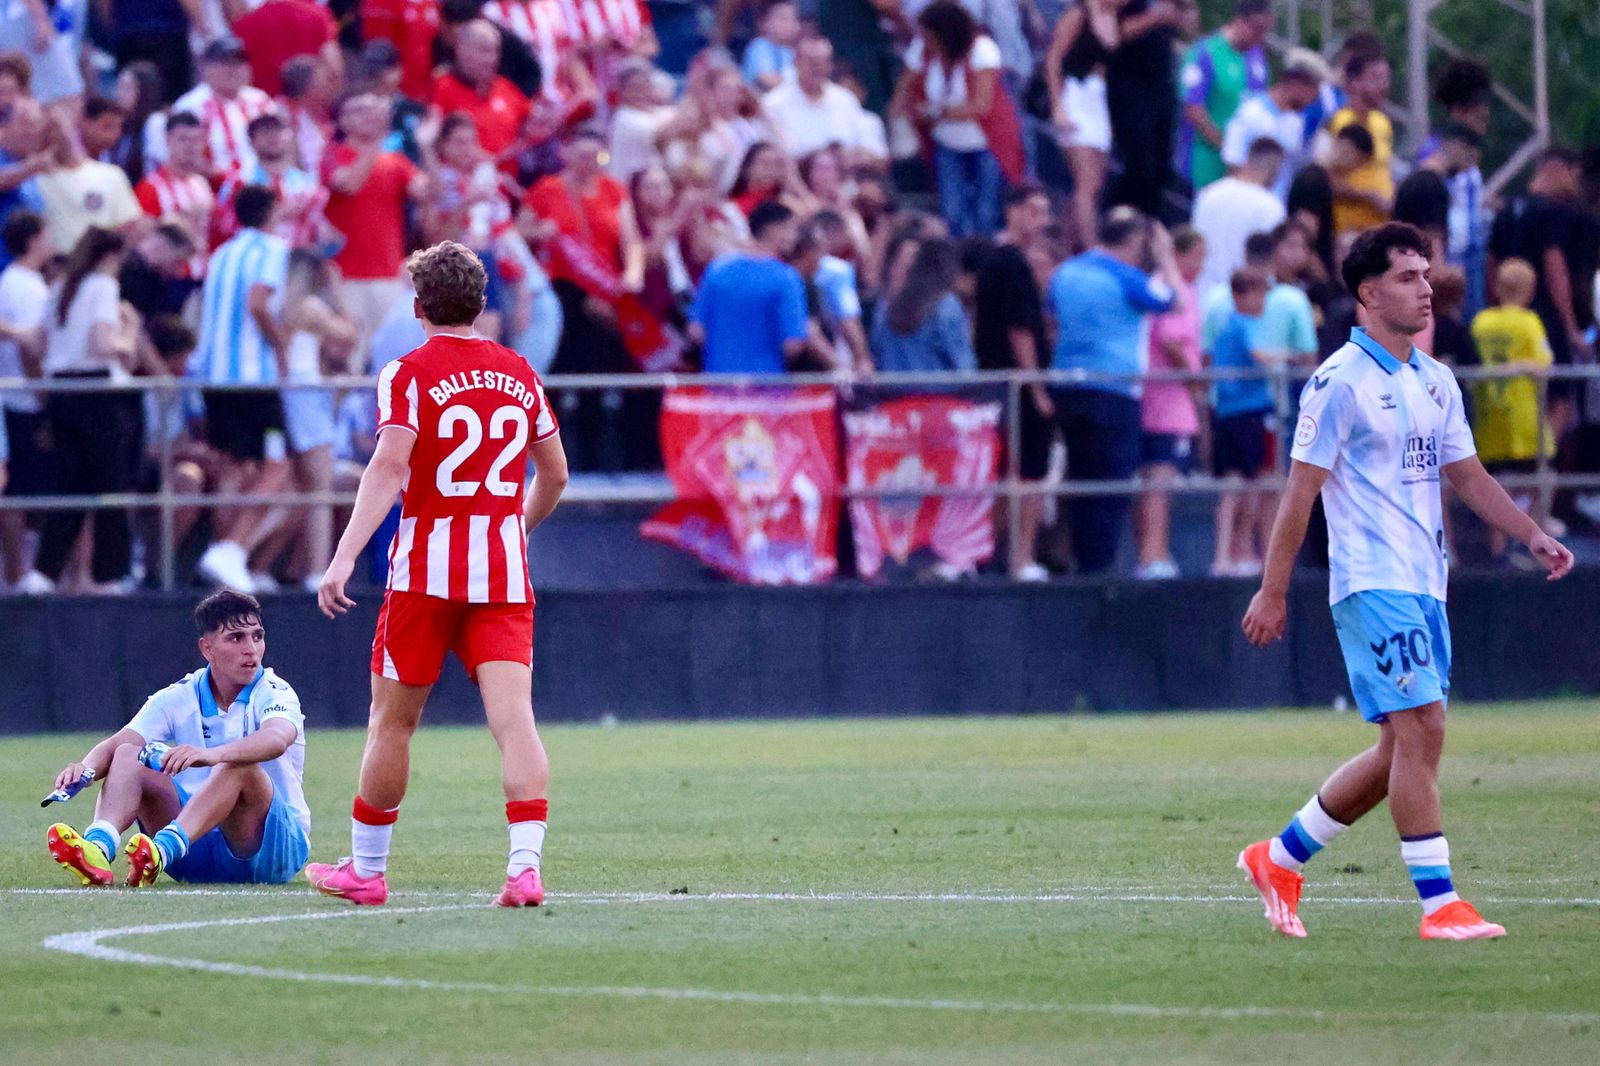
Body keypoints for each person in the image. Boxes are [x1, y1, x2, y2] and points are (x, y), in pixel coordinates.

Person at [1238, 222, 1574, 941]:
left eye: (1426, 275)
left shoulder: (1435, 378)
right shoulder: (1337, 384)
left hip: (1426, 582)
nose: (1426, 289)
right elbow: (1298, 495)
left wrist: (1531, 531)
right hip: (1370, 580)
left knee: (1401, 747)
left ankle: (1278, 856)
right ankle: (1439, 904)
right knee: (1425, 726)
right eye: (1407, 277)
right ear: (1368, 292)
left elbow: (1468, 476)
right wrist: (1272, 589)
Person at [308, 241, 568, 908]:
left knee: (392, 724)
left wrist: (341, 557)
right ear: (482, 305)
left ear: (418, 308)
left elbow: (390, 467)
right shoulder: (520, 372)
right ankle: (524, 870)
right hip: (502, 576)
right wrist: (515, 530)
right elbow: (556, 474)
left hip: (424, 574)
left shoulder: (407, 372)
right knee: (516, 724)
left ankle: (367, 872)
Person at [44, 590, 310, 887]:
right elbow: (120, 742)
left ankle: (159, 850)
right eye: (236, 638)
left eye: (257, 636)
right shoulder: (180, 694)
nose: (252, 649)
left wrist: (212, 754)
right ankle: (98, 848)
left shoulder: (275, 690)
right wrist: (85, 769)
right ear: (207, 649)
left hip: (269, 854)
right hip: (194, 850)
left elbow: (276, 738)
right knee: (129, 753)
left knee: (238, 764)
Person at [1049, 206, 1179, 575]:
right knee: (1112, 480)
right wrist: (1166, 256)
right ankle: (1098, 568)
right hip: (1114, 389)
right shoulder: (1128, 278)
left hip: (1067, 386)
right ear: (1136, 241)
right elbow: (1173, 300)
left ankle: (1077, 560)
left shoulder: (1066, 272)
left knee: (1078, 477)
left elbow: (1052, 315)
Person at [18, 227, 144, 595]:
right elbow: (103, 343)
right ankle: (109, 576)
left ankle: (43, 574)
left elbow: (38, 345)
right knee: (111, 484)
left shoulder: (59, 288)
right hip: (98, 393)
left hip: (62, 392)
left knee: (68, 485)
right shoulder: (103, 287)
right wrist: (131, 333)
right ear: (110, 257)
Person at [191, 185, 291, 594]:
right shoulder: (272, 248)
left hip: (214, 375)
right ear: (271, 212)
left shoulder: (221, 253)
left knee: (234, 467)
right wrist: (280, 345)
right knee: (278, 465)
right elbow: (258, 303)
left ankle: (223, 556)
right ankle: (231, 549)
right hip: (252, 377)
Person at [973, 184, 1053, 579]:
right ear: (1014, 211)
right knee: (1028, 473)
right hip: (1017, 389)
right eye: (1034, 211)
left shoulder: (996, 260)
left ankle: (984, 553)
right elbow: (1020, 332)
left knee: (1007, 473)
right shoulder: (1011, 264)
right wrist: (1037, 387)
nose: (1041, 221)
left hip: (995, 384)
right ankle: (1021, 558)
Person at [894, 0, 1014, 239]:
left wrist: (935, 112)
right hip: (947, 143)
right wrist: (901, 115)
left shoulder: (982, 49)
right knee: (952, 211)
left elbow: (981, 105)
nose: (927, 40)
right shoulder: (923, 49)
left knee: (986, 211)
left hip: (986, 144)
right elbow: (904, 88)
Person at [323, 91, 428, 358]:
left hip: (388, 275)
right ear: (342, 120)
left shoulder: (395, 162)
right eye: (360, 110)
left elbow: (428, 193)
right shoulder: (331, 154)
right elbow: (348, 184)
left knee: (392, 358)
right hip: (346, 277)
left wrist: (427, 148)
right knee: (351, 359)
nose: (370, 116)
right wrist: (377, 139)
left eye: (374, 110)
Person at [1470, 258, 1553, 563]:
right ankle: (1534, 544)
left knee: (1494, 485)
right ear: (1529, 289)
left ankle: (1499, 553)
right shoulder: (1529, 322)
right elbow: (1545, 364)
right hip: (1524, 419)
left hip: (1489, 415)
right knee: (1544, 479)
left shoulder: (1480, 323)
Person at [1135, 224, 1206, 580]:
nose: (1201, 266)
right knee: (1160, 479)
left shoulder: (1149, 285)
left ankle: (1148, 553)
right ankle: (1153, 555)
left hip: (1146, 399)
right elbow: (1172, 338)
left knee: (1148, 479)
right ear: (1177, 253)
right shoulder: (1177, 290)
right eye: (1196, 257)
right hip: (1169, 401)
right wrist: (1194, 379)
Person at [1206, 268, 1275, 577]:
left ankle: (1238, 551)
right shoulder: (1245, 327)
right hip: (1247, 413)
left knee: (1244, 483)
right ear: (1240, 295)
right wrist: (1285, 357)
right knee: (1241, 484)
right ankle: (1228, 554)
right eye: (1258, 293)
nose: (1263, 301)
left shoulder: (1225, 330)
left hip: (1230, 412)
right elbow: (1260, 357)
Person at [689, 199, 809, 373]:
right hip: (767, 388)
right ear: (776, 230)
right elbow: (793, 344)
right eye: (792, 229)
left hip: (718, 387)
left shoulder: (717, 270)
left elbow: (696, 331)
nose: (795, 237)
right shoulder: (786, 279)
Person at [0, 208, 49, 590]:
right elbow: (32, 349)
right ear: (34, 240)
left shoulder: (12, 281)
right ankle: (17, 574)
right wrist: (43, 396)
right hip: (25, 400)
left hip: (16, 397)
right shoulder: (28, 285)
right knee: (18, 489)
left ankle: (18, 571)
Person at [1045, 0, 1117, 253]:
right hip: (1075, 95)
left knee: (1096, 182)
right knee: (1087, 182)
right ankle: (1092, 247)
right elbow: (1054, 59)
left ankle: (1065, 244)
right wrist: (1057, 106)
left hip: (1098, 99)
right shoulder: (1078, 15)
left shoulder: (1112, 17)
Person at [1178, 0, 1272, 193]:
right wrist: (1227, 148)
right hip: (1204, 161)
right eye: (1257, 29)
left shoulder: (1257, 57)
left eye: (1265, 31)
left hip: (1240, 168)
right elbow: (1193, 109)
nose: (1260, 37)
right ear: (1240, 21)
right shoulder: (1205, 53)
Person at [1103, 0, 1182, 219]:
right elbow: (1116, 34)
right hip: (1131, 86)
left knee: (1161, 168)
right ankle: (1117, 219)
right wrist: (1155, 17)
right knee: (1140, 163)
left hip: (1161, 86)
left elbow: (1185, 27)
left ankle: (1145, 224)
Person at [1222, 48, 1327, 203]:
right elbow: (1234, 164)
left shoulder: (1295, 121)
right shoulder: (1251, 114)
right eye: (1314, 91)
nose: (1313, 100)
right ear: (1297, 84)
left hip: (1277, 212)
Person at [761, 35, 885, 166]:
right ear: (796, 61)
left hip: (846, 180)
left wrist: (856, 157)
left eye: (825, 62)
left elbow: (873, 152)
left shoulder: (845, 100)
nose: (819, 68)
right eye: (813, 62)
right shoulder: (773, 104)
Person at [429, 19, 534, 169]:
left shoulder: (505, 86)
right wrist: (493, 161)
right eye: (485, 50)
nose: (492, 59)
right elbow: (435, 142)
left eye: (496, 51)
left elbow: (531, 122)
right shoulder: (442, 86)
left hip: (511, 184)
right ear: (462, 50)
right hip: (464, 185)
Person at [167, 37, 277, 179]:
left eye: (239, 63)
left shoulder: (260, 101)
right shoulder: (192, 106)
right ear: (206, 67)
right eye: (226, 63)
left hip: (262, 186)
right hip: (213, 188)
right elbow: (181, 156)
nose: (234, 69)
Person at [1192, 136, 1286, 299]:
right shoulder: (1272, 208)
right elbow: (1269, 264)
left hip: (1200, 294)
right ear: (1274, 169)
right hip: (1241, 301)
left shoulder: (1208, 194)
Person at [871, 237, 975, 372]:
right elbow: (963, 366)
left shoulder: (887, 305)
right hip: (938, 391)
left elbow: (876, 352)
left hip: (894, 391)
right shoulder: (946, 305)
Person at [1323, 52, 1394, 238]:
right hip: (1348, 233)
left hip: (1380, 230)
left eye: (1386, 78)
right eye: (1376, 79)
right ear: (1355, 83)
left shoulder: (1382, 122)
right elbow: (1326, 180)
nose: (1384, 86)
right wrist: (1368, 197)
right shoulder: (1339, 122)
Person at [232, 0, 342, 99]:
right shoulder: (316, 14)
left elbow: (243, 71)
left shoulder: (245, 24)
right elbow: (333, 67)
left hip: (267, 104)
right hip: (309, 103)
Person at [742, 0, 799, 92]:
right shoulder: (759, 46)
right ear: (764, 22)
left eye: (794, 18)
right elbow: (767, 80)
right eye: (783, 18)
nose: (789, 23)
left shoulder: (791, 51)